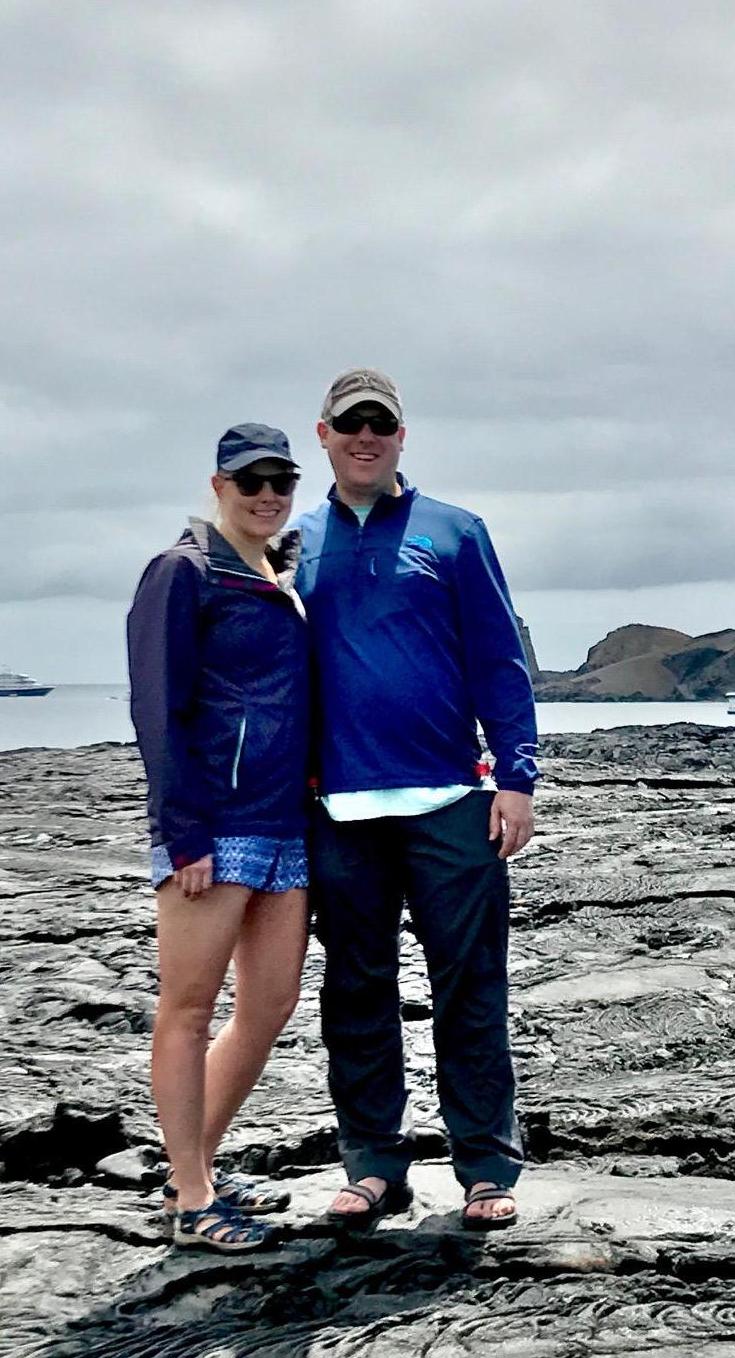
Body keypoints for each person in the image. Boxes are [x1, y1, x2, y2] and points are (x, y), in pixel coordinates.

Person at [295, 369, 538, 1231]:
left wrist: (516, 776)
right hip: (337, 810)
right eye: (349, 423)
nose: (366, 436)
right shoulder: (296, 541)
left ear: (402, 436)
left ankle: (483, 1165)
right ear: (322, 433)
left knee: (469, 985)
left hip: (450, 803)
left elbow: (500, 661)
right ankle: (373, 1164)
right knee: (355, 989)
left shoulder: (456, 532)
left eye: (381, 424)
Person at [126, 424, 310, 1253]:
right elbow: (156, 708)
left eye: (281, 480)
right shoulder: (183, 572)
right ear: (218, 483)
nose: (267, 493)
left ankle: (191, 1163)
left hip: (285, 821)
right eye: (251, 481)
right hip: (213, 824)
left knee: (270, 1005)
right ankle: (193, 1196)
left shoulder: (284, 571)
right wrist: (182, 829)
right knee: (190, 1007)